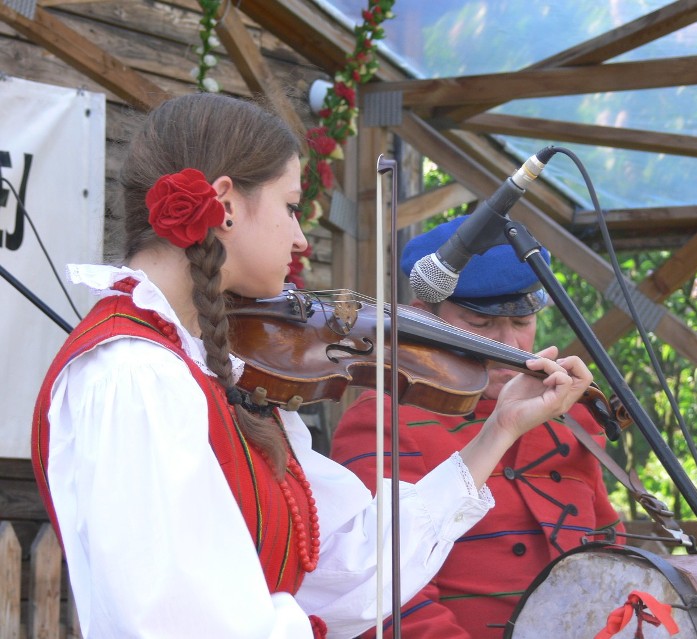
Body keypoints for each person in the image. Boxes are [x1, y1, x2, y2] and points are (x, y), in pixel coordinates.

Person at [29, 92, 594, 639]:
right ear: (224, 207)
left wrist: (499, 429)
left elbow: (345, 569)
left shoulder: (211, 368)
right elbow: (175, 625)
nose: (301, 238)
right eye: (292, 206)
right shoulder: (132, 376)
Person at [331, 215, 624, 638]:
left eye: (523, 322)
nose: (511, 345)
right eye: (481, 325)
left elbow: (610, 557)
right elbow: (386, 601)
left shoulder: (569, 419)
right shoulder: (383, 419)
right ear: (424, 319)